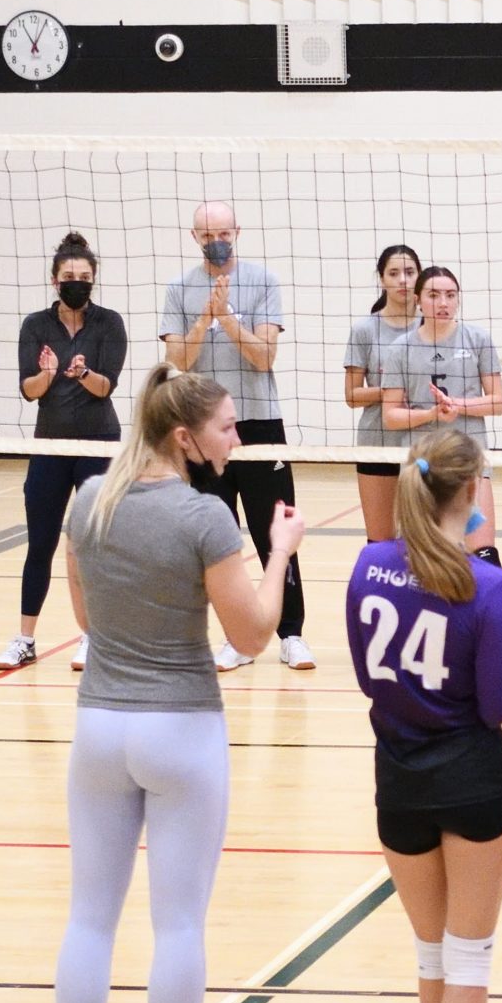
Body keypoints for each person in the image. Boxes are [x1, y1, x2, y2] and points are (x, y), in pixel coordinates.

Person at [52, 363, 303, 1003]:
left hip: (99, 725)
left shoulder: (88, 500)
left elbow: (86, 614)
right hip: (180, 728)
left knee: (89, 918)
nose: (238, 437)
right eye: (229, 427)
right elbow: (253, 635)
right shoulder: (203, 519)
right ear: (185, 436)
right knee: (178, 925)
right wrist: (280, 550)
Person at [348, 426, 502, 1003]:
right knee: (470, 956)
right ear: (472, 492)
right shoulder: (487, 585)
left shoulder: (367, 564)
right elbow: (494, 708)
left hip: (399, 777)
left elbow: (365, 678)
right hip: (473, 778)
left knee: (431, 953)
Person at [160, 199, 313, 672]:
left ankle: (291, 634)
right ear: (194, 238)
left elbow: (265, 357)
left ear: (237, 231)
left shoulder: (263, 281)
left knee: (275, 528)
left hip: (258, 421)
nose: (216, 241)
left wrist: (227, 319)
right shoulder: (179, 289)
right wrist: (205, 319)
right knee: (216, 534)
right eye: (207, 235)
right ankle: (237, 639)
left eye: (223, 232)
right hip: (202, 428)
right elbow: (179, 363)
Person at [0, 231, 126, 673]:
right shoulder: (35, 325)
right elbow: (29, 391)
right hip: (50, 447)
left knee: (94, 545)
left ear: (94, 280)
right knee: (41, 543)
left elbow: (106, 386)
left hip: (97, 445)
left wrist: (84, 372)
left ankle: (93, 637)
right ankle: (25, 639)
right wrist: (49, 373)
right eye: (70, 276)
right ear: (55, 280)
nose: (77, 282)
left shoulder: (109, 323)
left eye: (85, 277)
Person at [388, 265, 502, 562]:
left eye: (450, 295)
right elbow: (390, 416)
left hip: (469, 458)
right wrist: (432, 414)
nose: (443, 303)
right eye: (434, 295)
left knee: (483, 554)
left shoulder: (478, 339)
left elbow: (498, 402)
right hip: (421, 462)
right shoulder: (400, 348)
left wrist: (458, 405)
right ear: (418, 300)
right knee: (421, 556)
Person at [344, 244, 424, 543]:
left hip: (423, 444)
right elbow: (352, 395)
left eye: (409, 272)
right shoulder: (365, 330)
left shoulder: (433, 326)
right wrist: (391, 392)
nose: (403, 280)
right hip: (377, 441)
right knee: (380, 540)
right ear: (381, 279)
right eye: (394, 273)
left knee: (422, 539)